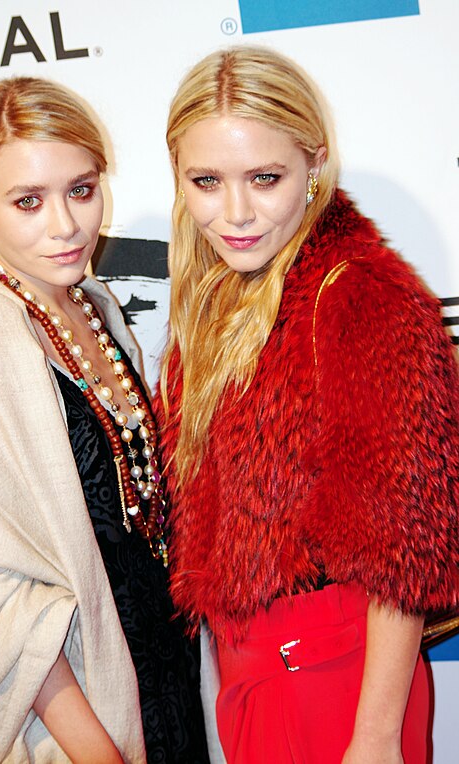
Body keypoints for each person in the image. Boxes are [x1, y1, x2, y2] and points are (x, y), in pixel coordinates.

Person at [157, 46, 459, 764]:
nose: (235, 211)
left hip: (339, 686)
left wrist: (377, 736)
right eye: (206, 181)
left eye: (265, 178)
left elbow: (402, 549)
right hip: (255, 674)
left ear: (314, 165)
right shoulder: (219, 297)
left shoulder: (359, 298)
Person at [0, 76, 210, 764]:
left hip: (160, 670)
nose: (67, 224)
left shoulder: (91, 305)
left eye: (81, 189)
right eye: (28, 201)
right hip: (76, 714)